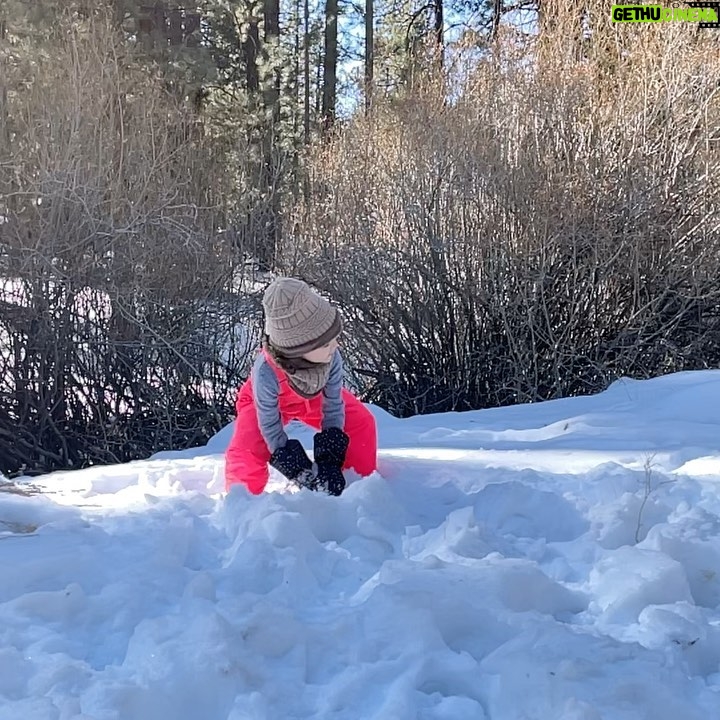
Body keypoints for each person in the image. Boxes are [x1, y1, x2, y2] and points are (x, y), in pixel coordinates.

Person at [224, 277, 377, 496]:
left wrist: (330, 459)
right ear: (298, 349)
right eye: (326, 343)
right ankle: (243, 499)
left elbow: (333, 405)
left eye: (335, 337)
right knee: (246, 447)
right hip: (266, 405)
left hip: (315, 397)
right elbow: (269, 425)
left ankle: (359, 486)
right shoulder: (265, 372)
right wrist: (291, 461)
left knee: (361, 422)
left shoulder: (331, 355)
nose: (336, 346)